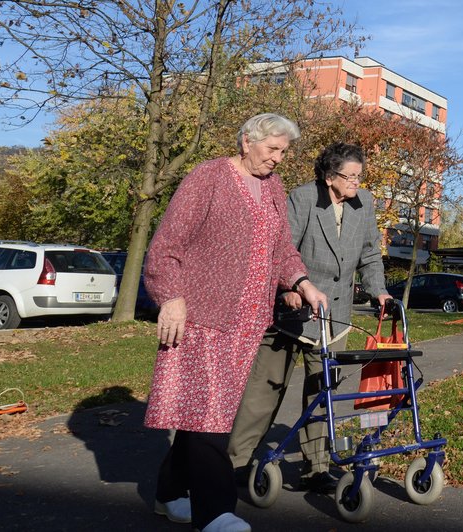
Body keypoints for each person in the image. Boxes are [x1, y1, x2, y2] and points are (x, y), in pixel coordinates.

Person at [143, 113, 328, 532]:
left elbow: (282, 249)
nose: (279, 159)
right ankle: (216, 512)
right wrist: (169, 298)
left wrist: (303, 283)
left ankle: (169, 493)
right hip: (201, 317)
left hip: (247, 325)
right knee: (211, 415)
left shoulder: (273, 188)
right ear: (247, 141)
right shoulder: (208, 177)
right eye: (272, 149)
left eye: (284, 151)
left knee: (207, 413)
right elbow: (167, 245)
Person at [228, 142, 391, 493]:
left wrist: (378, 290)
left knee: (323, 391)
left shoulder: (363, 205)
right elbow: (278, 249)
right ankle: (236, 462)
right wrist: (288, 287)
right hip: (292, 309)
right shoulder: (303, 199)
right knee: (266, 389)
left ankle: (316, 468)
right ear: (330, 176)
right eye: (350, 176)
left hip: (335, 316)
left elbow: (369, 256)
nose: (356, 183)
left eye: (360, 176)